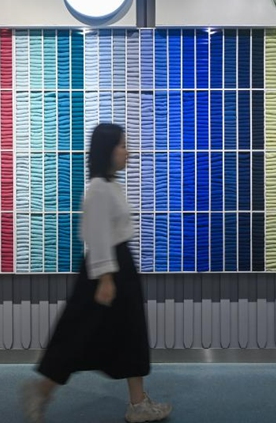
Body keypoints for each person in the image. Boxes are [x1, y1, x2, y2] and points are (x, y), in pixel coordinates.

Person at [20, 123, 172, 423]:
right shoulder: (100, 189)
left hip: (117, 265)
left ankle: (137, 402)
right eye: (122, 145)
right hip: (108, 268)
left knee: (129, 332)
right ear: (107, 150)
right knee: (79, 334)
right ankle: (42, 390)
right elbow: (97, 234)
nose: (127, 151)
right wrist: (105, 278)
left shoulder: (111, 185)